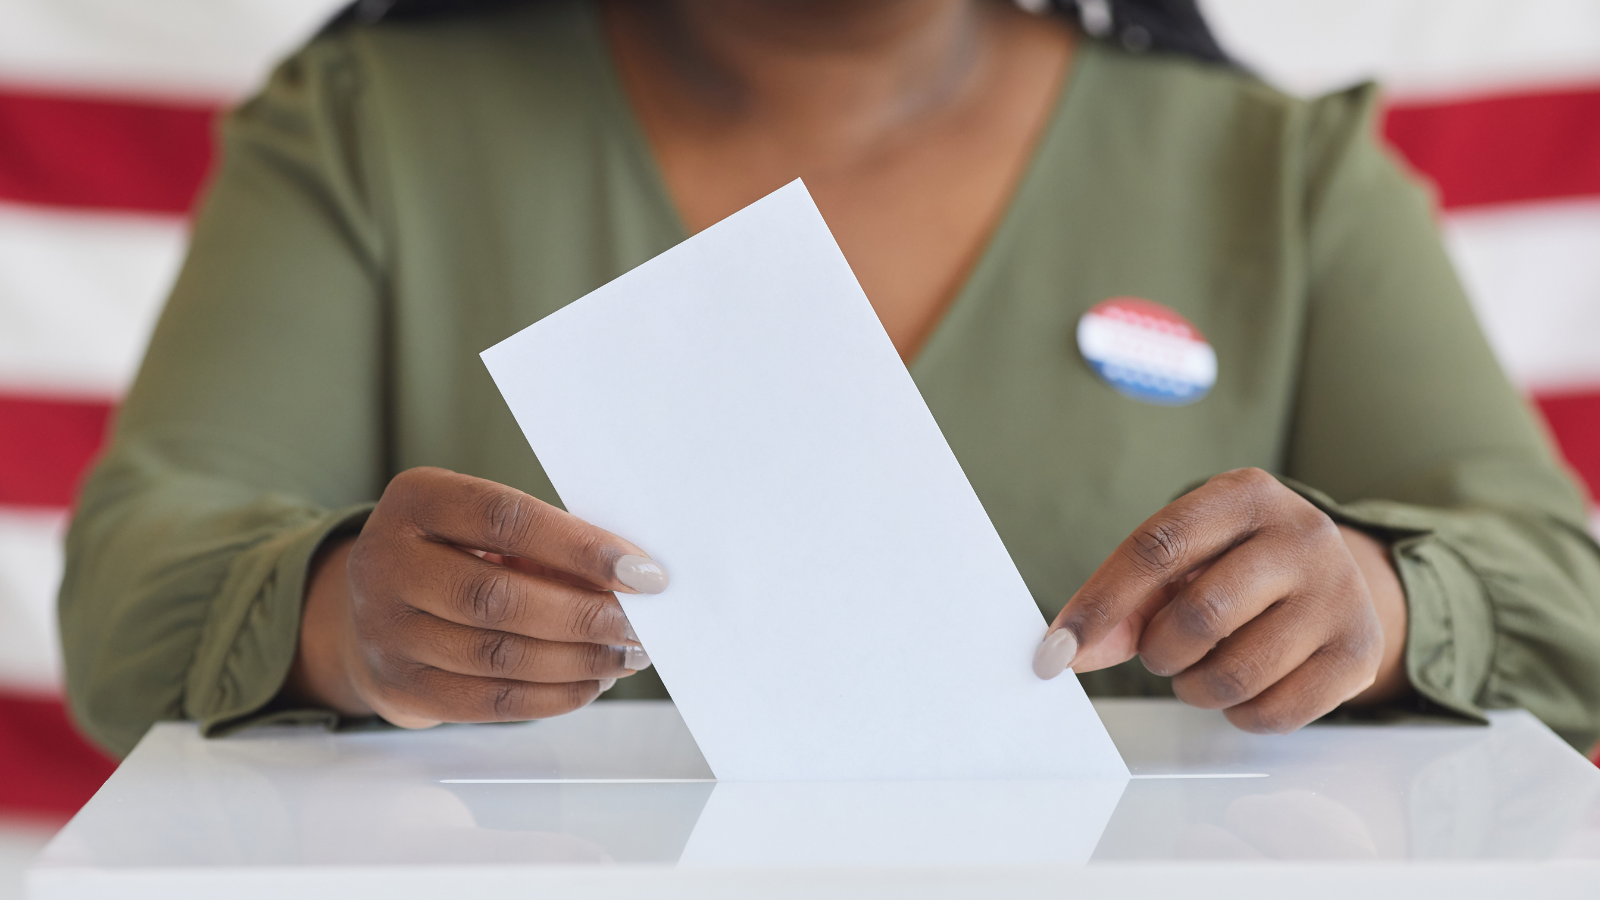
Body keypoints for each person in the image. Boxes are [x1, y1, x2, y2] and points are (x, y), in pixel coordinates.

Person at [60, 0, 1600, 759]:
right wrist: (343, 616)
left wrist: (1380, 609)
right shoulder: (367, 129)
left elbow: (1565, 597)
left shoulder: (1284, 175)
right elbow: (130, 598)